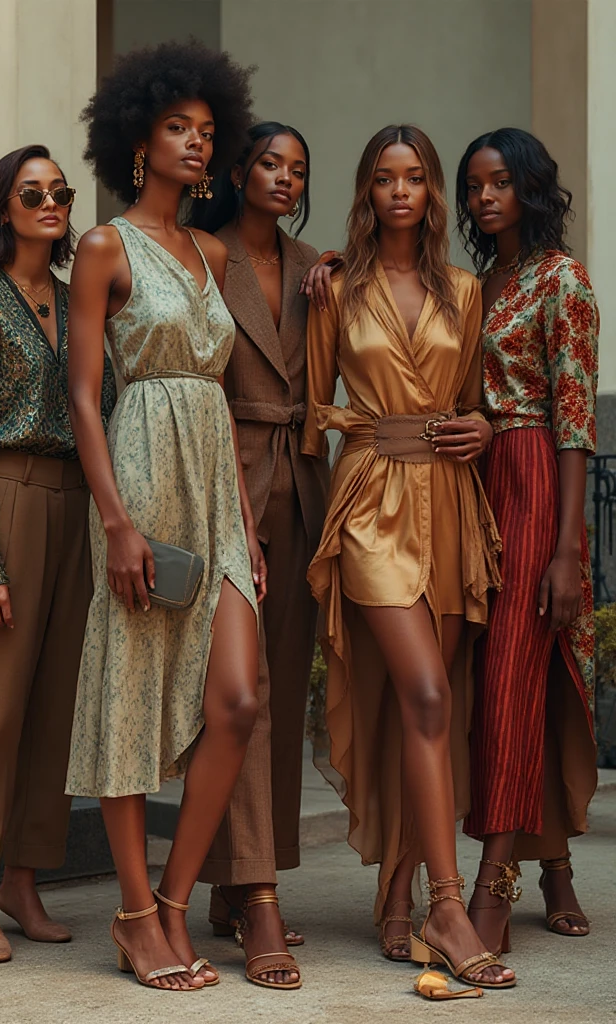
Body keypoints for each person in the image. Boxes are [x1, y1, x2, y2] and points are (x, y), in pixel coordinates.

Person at [64, 42, 275, 993]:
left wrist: (243, 524)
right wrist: (116, 523)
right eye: (176, 129)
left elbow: (224, 395)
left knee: (236, 700)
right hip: (141, 469)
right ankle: (134, 915)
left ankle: (177, 903)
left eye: (206, 130)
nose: (196, 143)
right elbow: (80, 395)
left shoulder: (215, 249)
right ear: (138, 143)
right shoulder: (106, 246)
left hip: (212, 480)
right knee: (129, 693)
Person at [301, 124, 514, 987]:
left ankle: (397, 892)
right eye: (385, 178)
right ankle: (449, 904)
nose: (401, 191)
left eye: (416, 177)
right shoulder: (335, 288)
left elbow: (475, 403)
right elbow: (319, 409)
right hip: (370, 503)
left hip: (452, 505)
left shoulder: (466, 290)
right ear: (367, 190)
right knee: (423, 692)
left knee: (424, 708)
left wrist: (487, 426)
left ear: (431, 194)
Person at [0, 144, 116, 963]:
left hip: (77, 502)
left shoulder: (85, 299)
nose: (49, 202)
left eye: (59, 191)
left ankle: (23, 876)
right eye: (30, 191)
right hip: (6, 501)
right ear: (2, 210)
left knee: (54, 706)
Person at [191, 122, 329, 987]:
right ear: (240, 171)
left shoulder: (318, 265)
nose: (284, 178)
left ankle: (240, 878)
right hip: (224, 478)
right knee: (244, 694)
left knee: (285, 669)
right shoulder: (205, 255)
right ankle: (261, 895)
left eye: (298, 170)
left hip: (305, 483)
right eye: (271, 164)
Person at [456, 127, 598, 955]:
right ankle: (558, 870)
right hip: (480, 479)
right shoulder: (483, 283)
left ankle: (495, 883)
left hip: (538, 474)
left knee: (514, 673)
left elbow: (575, 416)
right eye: (475, 186)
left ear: (531, 187)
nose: (483, 198)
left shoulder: (561, 280)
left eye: (500, 182)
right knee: (505, 676)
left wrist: (568, 547)